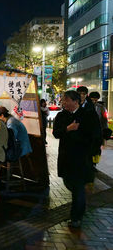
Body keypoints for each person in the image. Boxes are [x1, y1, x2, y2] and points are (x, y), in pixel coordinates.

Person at [53, 90, 101, 228]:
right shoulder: (61, 116)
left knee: (78, 188)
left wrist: (91, 153)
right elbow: (56, 133)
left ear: (75, 101)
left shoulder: (88, 115)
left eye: (66, 100)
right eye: (63, 100)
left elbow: (96, 136)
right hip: (66, 158)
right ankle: (78, 209)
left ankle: (76, 217)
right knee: (70, 184)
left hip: (82, 159)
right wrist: (68, 128)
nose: (63, 102)